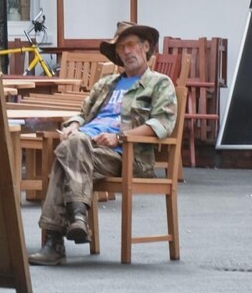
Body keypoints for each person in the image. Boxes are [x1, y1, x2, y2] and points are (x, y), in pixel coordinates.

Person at [28, 20, 177, 266]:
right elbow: (81, 113)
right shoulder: (106, 84)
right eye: (121, 47)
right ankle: (77, 216)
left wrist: (119, 137)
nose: (127, 51)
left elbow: (161, 124)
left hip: (124, 155)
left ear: (145, 47)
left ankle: (55, 242)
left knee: (66, 152)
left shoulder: (159, 83)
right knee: (72, 145)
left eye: (131, 45)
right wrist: (74, 125)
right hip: (88, 148)